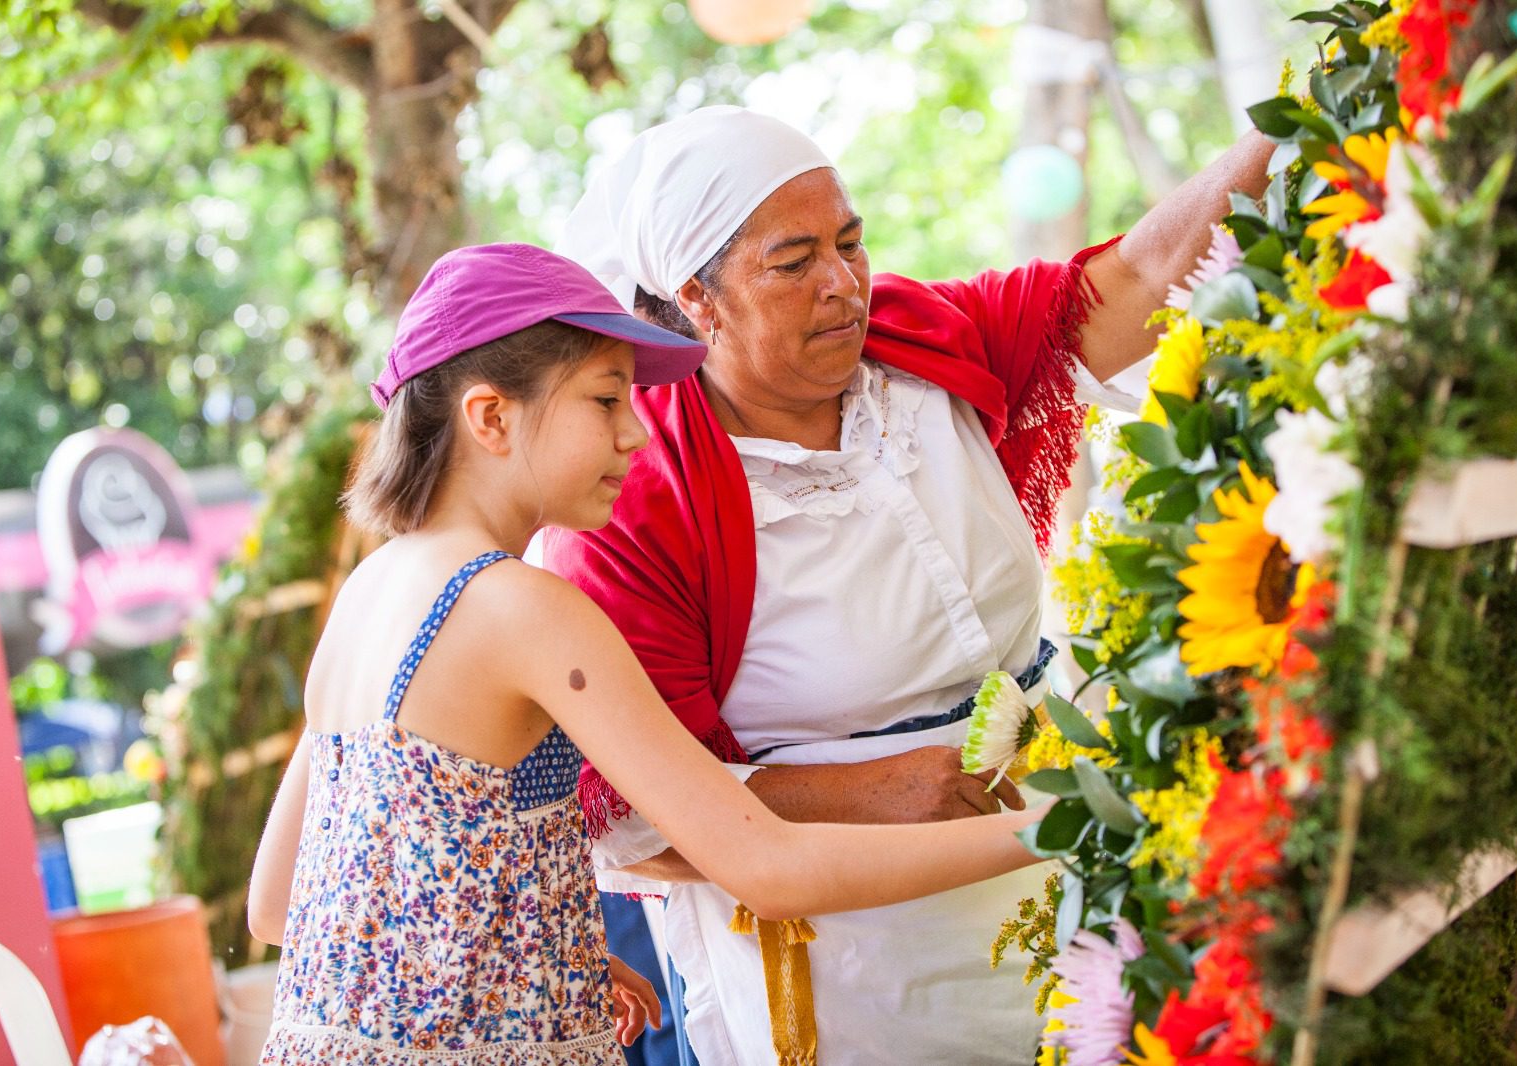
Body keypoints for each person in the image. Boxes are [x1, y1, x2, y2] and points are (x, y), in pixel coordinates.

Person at [546, 106, 1276, 1066]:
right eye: (794, 261)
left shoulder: (922, 339)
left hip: (1065, 850)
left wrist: (1301, 120)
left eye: (850, 242)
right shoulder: (635, 493)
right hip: (858, 963)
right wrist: (870, 794)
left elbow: (1136, 277)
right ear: (698, 300)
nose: (844, 283)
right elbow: (628, 819)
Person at [245, 243, 1055, 1064]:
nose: (636, 434)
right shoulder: (522, 606)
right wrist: (1048, 832)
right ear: (491, 418)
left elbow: (279, 904)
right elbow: (767, 867)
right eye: (605, 400)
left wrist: (542, 958)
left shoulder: (371, 592)